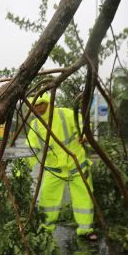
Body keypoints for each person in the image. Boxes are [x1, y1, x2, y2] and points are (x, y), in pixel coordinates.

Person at [26, 93, 97, 241]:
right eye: (35, 105)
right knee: (47, 200)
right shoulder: (35, 126)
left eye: (41, 104)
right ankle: (45, 229)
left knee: (84, 198)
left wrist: (83, 134)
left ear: (48, 102)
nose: (38, 108)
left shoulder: (65, 114)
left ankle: (86, 230)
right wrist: (23, 168)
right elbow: (31, 150)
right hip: (54, 171)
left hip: (77, 167)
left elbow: (83, 124)